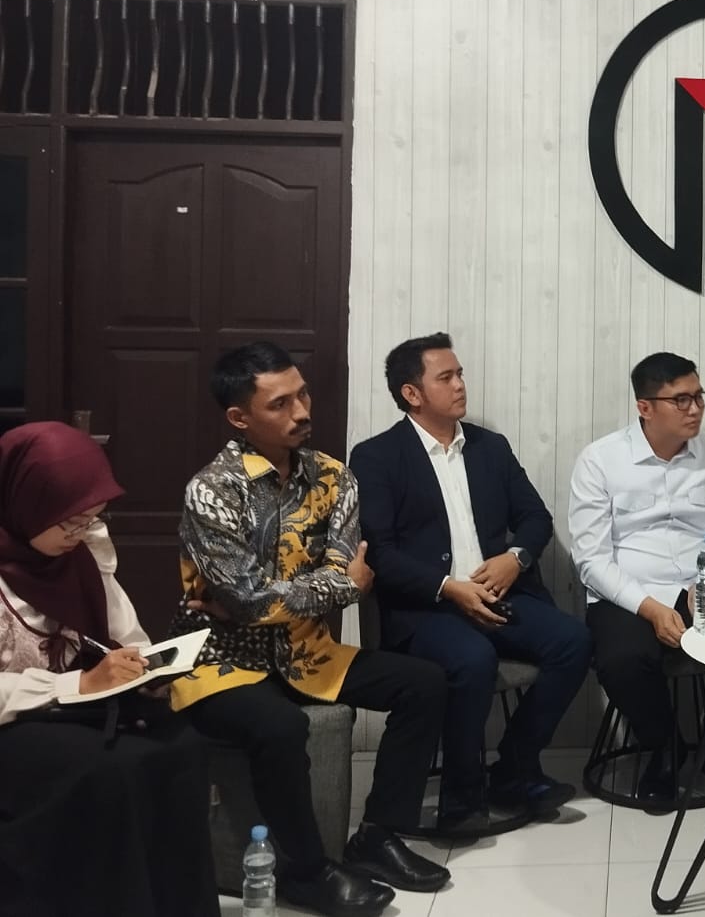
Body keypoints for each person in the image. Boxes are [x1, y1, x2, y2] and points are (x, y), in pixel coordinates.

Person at [169, 341, 450, 917]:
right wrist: (334, 586)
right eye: (280, 404)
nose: (301, 411)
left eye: (302, 395)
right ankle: (306, 871)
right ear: (240, 417)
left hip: (308, 652)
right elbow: (253, 602)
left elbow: (339, 573)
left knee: (424, 683)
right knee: (278, 725)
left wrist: (295, 592)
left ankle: (378, 835)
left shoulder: (333, 477)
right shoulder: (212, 490)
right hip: (222, 661)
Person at [350, 332, 591, 837]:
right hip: (427, 608)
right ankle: (461, 796)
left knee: (574, 641)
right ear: (412, 393)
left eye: (460, 374)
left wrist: (514, 559)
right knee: (472, 659)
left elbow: (536, 518)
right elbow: (382, 552)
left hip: (499, 594)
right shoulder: (376, 457)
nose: (461, 384)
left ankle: (515, 767)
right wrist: (447, 587)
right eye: (446, 377)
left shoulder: (489, 447)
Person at [0, 422, 219, 917]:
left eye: (91, 519)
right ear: (26, 502)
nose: (80, 533)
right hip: (14, 722)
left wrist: (144, 669)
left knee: (183, 746)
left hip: (72, 709)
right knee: (112, 770)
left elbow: (126, 633)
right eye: (69, 522)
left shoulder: (79, 556)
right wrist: (75, 682)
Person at [568, 351, 705, 810]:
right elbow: (591, 559)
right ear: (644, 407)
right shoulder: (600, 460)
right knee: (622, 661)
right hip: (630, 590)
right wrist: (649, 607)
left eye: (699, 397)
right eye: (681, 400)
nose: (695, 409)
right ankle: (664, 747)